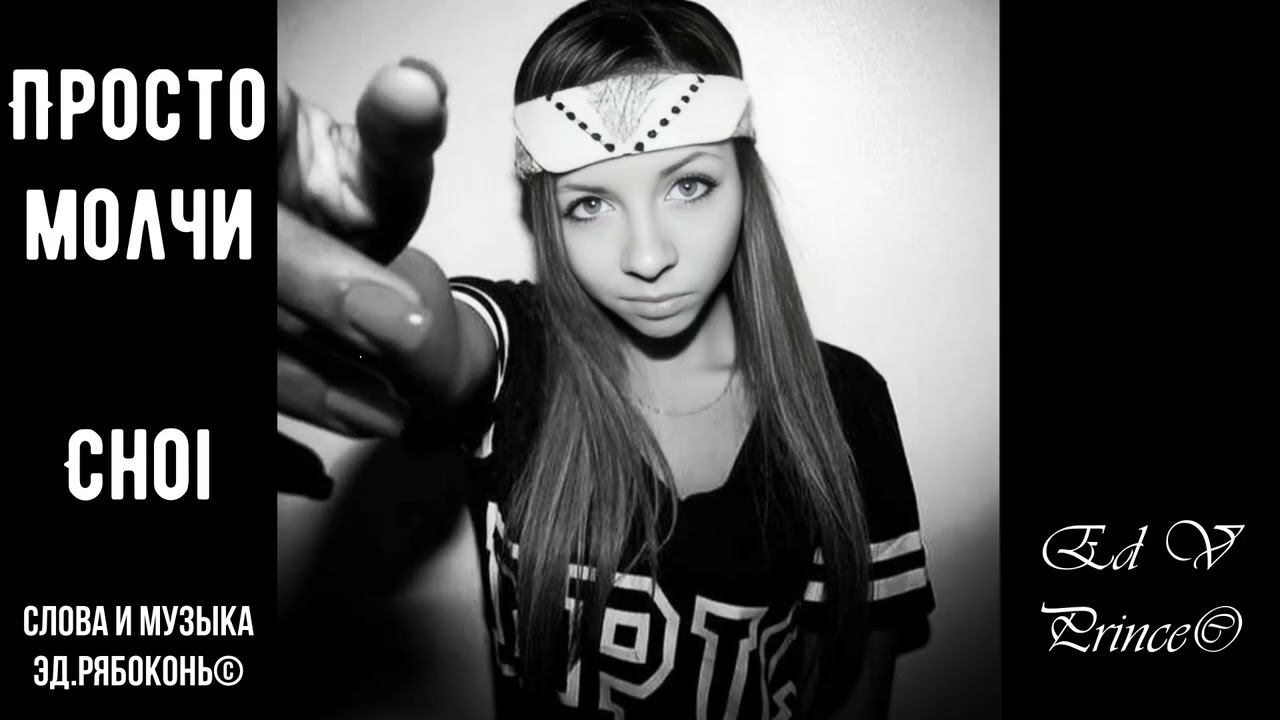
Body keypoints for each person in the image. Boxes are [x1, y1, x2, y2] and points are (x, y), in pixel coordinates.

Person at [276, 1, 935, 717]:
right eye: (590, 204)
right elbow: (441, 336)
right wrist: (358, 268)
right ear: (547, 216)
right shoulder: (520, 356)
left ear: (745, 180)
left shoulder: (844, 405)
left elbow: (851, 690)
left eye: (689, 185)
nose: (647, 257)